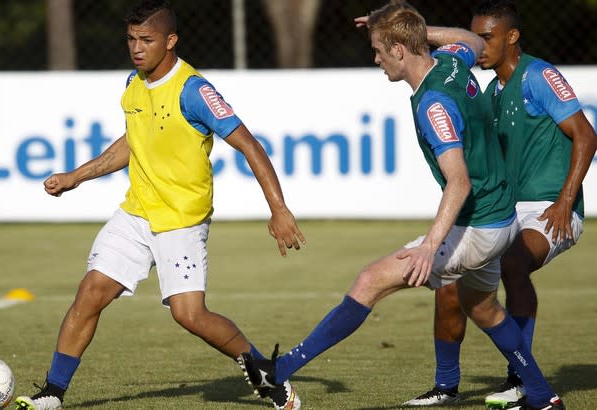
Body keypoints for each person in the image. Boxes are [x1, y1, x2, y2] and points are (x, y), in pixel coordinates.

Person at [238, 1, 565, 409]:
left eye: (379, 49)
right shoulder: (452, 63)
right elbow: (466, 39)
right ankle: (542, 395)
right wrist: (411, 28)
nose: (376, 59)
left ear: (398, 50)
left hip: (479, 226)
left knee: (369, 280)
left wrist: (429, 246)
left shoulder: (433, 104)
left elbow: (458, 182)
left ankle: (281, 369)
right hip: (500, 220)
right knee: (482, 307)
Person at [13, 1, 305, 410]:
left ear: (170, 41)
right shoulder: (133, 82)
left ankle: (263, 371)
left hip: (181, 220)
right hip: (136, 212)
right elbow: (133, 142)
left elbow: (249, 145)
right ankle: (53, 393)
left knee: (189, 315)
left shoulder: (195, 91)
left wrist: (279, 209)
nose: (136, 48)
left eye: (146, 40)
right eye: (131, 39)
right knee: (90, 292)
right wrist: (76, 176)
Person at [402, 1, 597, 407]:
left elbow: (586, 135)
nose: (480, 47)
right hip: (505, 212)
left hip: (549, 209)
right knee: (449, 283)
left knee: (514, 263)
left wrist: (565, 201)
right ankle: (445, 386)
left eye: (487, 38)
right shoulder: (490, 92)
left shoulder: (540, 76)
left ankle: (520, 378)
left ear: (512, 37)